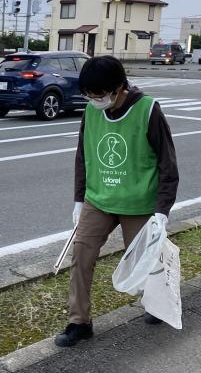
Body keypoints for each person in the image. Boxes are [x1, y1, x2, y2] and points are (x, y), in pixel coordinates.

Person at [55, 56, 179, 348]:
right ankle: (79, 322)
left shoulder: (148, 110)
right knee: (81, 258)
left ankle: (157, 304)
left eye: (99, 94)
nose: (94, 100)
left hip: (139, 202)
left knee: (147, 261)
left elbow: (168, 164)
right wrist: (78, 199)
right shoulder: (91, 111)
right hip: (98, 200)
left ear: (119, 87)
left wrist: (162, 210)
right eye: (89, 94)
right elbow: (83, 156)